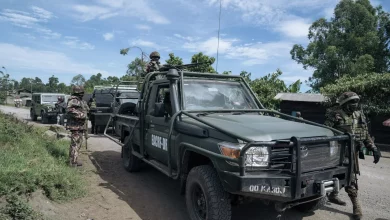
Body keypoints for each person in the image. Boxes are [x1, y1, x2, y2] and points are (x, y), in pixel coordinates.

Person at [324, 91, 381, 220]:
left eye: (356, 102)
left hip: (352, 152)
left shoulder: (359, 115)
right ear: (344, 103)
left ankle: (354, 204)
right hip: (336, 152)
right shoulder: (335, 115)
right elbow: (325, 132)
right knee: (335, 174)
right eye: (352, 102)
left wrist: (373, 148)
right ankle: (335, 195)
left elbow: (364, 134)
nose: (355, 104)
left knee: (350, 176)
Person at [66, 86, 89, 167]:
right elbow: (69, 110)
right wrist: (82, 115)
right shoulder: (73, 100)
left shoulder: (79, 100)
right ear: (79, 93)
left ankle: (74, 160)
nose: (83, 94)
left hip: (79, 126)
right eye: (82, 92)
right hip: (75, 126)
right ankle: (73, 162)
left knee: (77, 144)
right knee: (75, 144)